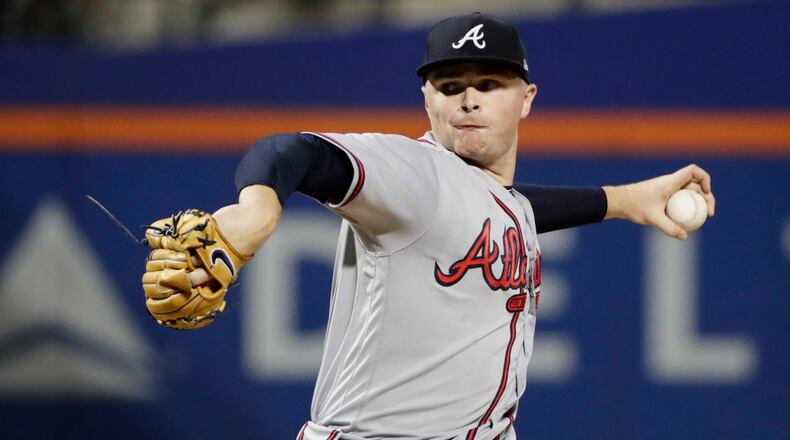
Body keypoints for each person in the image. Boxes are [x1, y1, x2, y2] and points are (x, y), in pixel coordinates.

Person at [143, 12, 715, 440]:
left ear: (526, 99)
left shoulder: (486, 198)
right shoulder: (416, 173)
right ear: (427, 99)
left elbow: (507, 209)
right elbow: (290, 151)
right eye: (450, 86)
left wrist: (622, 200)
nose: (468, 99)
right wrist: (258, 210)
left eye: (489, 84)